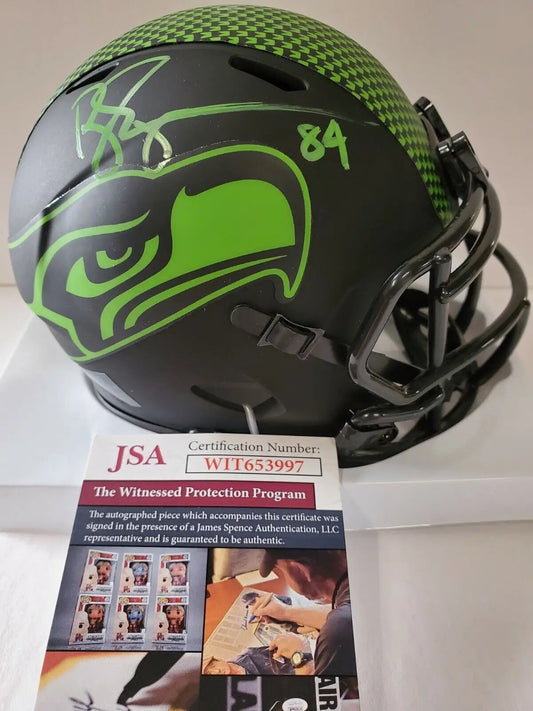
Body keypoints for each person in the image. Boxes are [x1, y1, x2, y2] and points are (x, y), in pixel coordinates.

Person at [251, 549, 357, 678]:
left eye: (283, 572)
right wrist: (285, 611)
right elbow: (345, 615)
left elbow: (318, 690)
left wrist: (301, 656)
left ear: (301, 571)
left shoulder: (337, 632)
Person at [202, 647, 294, 676]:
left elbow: (284, 651)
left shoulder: (251, 653)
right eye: (210, 673)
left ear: (219, 660)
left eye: (213, 666)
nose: (217, 671)